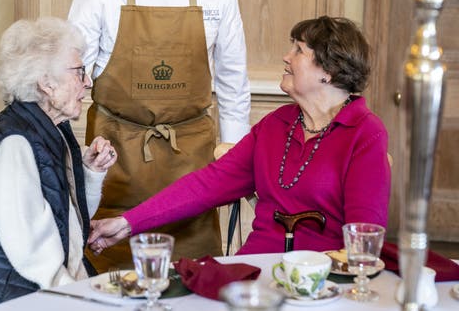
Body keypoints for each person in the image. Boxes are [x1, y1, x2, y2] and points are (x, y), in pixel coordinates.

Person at [87, 16, 391, 256]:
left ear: (329, 70)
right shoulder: (277, 124)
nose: (286, 56)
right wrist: (127, 224)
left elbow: (363, 240)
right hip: (256, 270)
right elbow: (205, 186)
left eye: (299, 50)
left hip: (320, 280)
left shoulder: (364, 134)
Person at [67, 0, 250, 271]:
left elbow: (233, 77)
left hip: (192, 157)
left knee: (193, 271)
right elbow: (72, 75)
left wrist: (232, 148)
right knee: (115, 268)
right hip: (117, 153)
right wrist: (64, 149)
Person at [0, 18, 117, 310]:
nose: (88, 82)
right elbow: (36, 257)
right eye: (79, 72)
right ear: (46, 83)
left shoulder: (50, 129)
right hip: (14, 301)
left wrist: (90, 174)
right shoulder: (14, 144)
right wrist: (93, 301)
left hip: (42, 294)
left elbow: (64, 225)